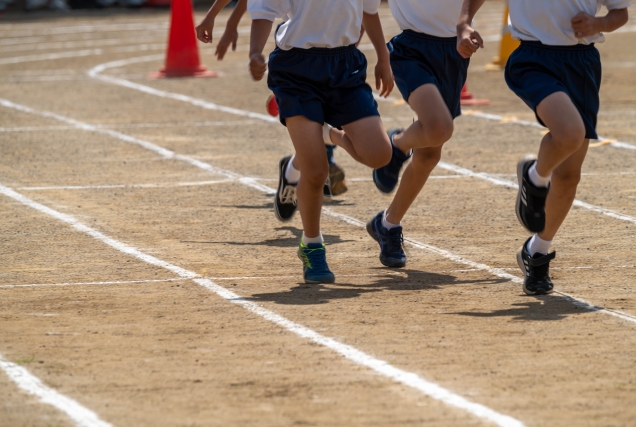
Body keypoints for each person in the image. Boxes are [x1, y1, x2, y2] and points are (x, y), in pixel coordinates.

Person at [457, 0, 630, 295]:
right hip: (533, 58)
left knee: (569, 174)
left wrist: (598, 24)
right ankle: (535, 178)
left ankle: (536, 252)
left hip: (582, 63)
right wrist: (464, 23)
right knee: (569, 133)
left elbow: (620, 13)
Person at [248, 0, 394, 283]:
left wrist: (383, 58)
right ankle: (312, 245)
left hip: (345, 66)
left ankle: (329, 135)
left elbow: (369, 11)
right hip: (296, 70)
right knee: (316, 171)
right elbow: (264, 10)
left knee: (379, 155)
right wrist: (255, 52)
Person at [196, 0, 349, 197]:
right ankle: (321, 166)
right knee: (314, 112)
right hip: (297, 43)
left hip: (334, 43)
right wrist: (219, 20)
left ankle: (303, 165)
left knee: (333, 111)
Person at [362, 0, 470, 268]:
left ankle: (387, 224)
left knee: (430, 153)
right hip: (412, 49)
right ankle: (397, 145)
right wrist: (379, 56)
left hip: (454, 51)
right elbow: (365, 7)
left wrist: (465, 22)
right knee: (439, 128)